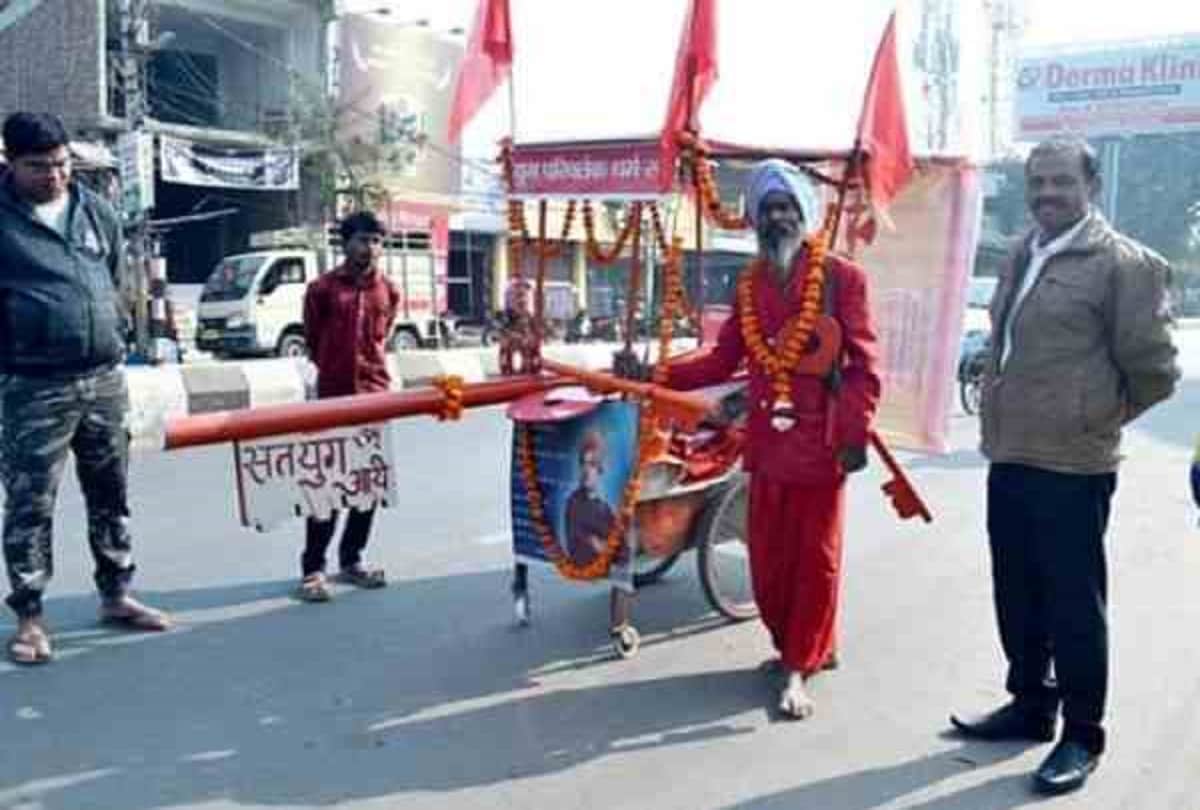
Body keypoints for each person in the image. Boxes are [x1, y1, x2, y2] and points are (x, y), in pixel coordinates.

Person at [950, 137, 1179, 796]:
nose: (1048, 194)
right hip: (1011, 452)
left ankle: (1082, 732)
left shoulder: (1122, 264)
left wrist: (1094, 418)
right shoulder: (1024, 251)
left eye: (1061, 183)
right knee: (1016, 592)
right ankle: (1030, 705)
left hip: (1074, 465)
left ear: (1090, 187)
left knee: (1074, 604)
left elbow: (1156, 371)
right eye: (1038, 183)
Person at [662, 159, 881, 719]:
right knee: (770, 560)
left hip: (821, 443)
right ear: (757, 219)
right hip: (766, 443)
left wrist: (854, 434)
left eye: (787, 208)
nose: (778, 217)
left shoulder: (841, 278)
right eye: (768, 209)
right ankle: (799, 648)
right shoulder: (749, 284)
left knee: (816, 560)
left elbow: (863, 366)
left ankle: (798, 667)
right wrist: (659, 372)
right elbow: (723, 357)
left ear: (803, 213)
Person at [0, 112, 170, 665]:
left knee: (110, 492)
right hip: (33, 386)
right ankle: (29, 616)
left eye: (61, 164)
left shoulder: (94, 213)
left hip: (102, 379)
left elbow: (116, 276)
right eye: (38, 167)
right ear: (11, 161)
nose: (54, 176)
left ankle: (117, 592)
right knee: (30, 505)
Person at [295, 210, 399, 602]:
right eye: (362, 240)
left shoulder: (388, 290)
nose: (369, 248)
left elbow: (382, 338)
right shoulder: (321, 290)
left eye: (376, 241)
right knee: (325, 489)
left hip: (374, 398)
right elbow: (313, 338)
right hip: (334, 400)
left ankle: (352, 560)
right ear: (346, 243)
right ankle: (313, 568)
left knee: (367, 488)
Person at [563, 430, 617, 566]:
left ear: (600, 470)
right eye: (583, 463)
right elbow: (578, 542)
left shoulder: (605, 508)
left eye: (592, 464)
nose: (586, 470)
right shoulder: (574, 503)